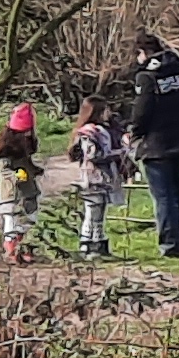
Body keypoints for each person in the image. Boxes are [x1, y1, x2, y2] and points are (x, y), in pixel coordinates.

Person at [128, 32, 179, 257]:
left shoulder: (147, 77)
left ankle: (171, 246)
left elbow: (141, 112)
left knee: (164, 197)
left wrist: (134, 134)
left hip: (157, 145)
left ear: (142, 53)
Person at [67, 94, 134, 258]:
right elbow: (93, 155)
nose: (109, 113)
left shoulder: (107, 130)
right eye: (105, 110)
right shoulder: (89, 133)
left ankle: (98, 241)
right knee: (92, 211)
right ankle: (90, 244)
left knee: (100, 210)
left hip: (105, 177)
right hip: (93, 177)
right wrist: (119, 153)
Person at [0, 101, 44, 264]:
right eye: (25, 133)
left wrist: (34, 170)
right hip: (10, 192)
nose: (28, 135)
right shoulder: (4, 150)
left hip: (28, 190)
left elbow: (26, 163)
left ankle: (25, 247)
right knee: (11, 219)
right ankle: (11, 248)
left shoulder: (25, 145)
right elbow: (4, 171)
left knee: (30, 217)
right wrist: (15, 176)